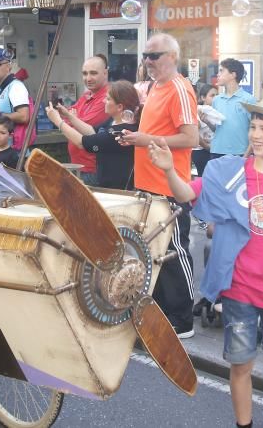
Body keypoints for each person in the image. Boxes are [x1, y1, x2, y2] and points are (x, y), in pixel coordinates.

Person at [147, 95, 263, 428]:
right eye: (253, 127)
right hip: (239, 288)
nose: (256, 135)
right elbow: (187, 194)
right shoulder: (229, 172)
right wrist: (170, 170)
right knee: (241, 365)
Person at [118, 33, 199, 338]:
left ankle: (183, 317)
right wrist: (133, 136)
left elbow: (191, 138)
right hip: (149, 182)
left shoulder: (179, 88)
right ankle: (166, 311)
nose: (148, 62)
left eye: (154, 56)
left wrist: (144, 139)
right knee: (156, 250)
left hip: (170, 185)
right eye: (145, 56)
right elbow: (157, 132)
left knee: (174, 250)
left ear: (173, 57)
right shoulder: (155, 87)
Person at [46, 80, 140, 190]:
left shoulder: (120, 132)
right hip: (108, 186)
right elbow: (93, 131)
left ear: (119, 107)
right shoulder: (113, 121)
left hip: (118, 191)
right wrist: (68, 115)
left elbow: (82, 142)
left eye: (108, 99)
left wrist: (57, 121)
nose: (104, 101)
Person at [61, 55, 110, 185]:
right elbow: (68, 119)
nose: (88, 78)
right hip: (79, 167)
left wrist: (73, 119)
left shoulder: (108, 98)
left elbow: (85, 128)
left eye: (93, 73)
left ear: (105, 73)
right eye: (85, 73)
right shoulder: (86, 95)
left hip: (92, 169)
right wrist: (74, 119)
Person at [0, 47, 32, 151]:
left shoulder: (16, 86)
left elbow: (24, 116)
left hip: (14, 151)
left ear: (8, 66)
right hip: (1, 149)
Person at [210, 58, 255, 160]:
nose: (218, 74)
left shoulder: (248, 100)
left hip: (240, 153)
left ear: (233, 75)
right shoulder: (216, 100)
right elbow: (217, 128)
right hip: (217, 151)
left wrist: (246, 156)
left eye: (221, 71)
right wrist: (207, 122)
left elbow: (255, 130)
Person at [193, 82, 218, 176]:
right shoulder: (200, 111)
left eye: (217, 95)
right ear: (203, 98)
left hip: (213, 149)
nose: (215, 98)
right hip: (201, 151)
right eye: (212, 95)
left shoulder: (215, 112)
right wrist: (207, 147)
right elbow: (194, 133)